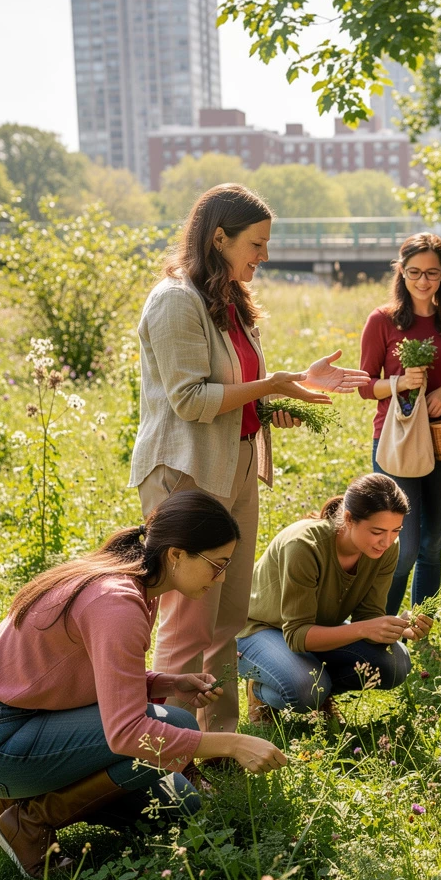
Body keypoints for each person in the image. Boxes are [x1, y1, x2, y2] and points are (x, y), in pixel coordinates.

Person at [129, 183, 369, 735]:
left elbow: (236, 389)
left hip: (234, 467)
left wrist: (283, 391)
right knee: (190, 621)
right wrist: (272, 384)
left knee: (229, 616)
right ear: (220, 238)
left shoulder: (230, 301)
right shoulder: (174, 300)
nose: (264, 255)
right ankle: (176, 755)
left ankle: (221, 740)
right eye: (256, 244)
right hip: (186, 474)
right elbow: (189, 400)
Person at [0, 491, 288, 878]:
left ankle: (18, 799)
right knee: (177, 725)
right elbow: (126, 732)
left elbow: (89, 676)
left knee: (182, 810)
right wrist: (233, 743)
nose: (222, 577)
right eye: (217, 565)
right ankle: (28, 822)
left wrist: (168, 680)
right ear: (176, 554)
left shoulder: (136, 585)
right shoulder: (117, 602)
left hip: (20, 721)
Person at [237, 474, 432, 720]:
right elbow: (297, 635)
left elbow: (368, 616)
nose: (387, 540)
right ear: (349, 519)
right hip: (259, 630)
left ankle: (317, 684)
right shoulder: (303, 545)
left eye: (396, 530)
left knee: (396, 664)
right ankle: (261, 692)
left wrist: (398, 627)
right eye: (377, 531)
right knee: (306, 689)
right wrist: (365, 629)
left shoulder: (386, 547)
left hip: (316, 630)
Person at [359, 233, 441, 615]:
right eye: (414, 272)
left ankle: (422, 626)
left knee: (432, 545)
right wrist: (398, 384)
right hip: (397, 440)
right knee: (403, 547)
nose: (423, 281)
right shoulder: (383, 320)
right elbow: (364, 386)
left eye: (432, 273)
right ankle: (381, 625)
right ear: (401, 271)